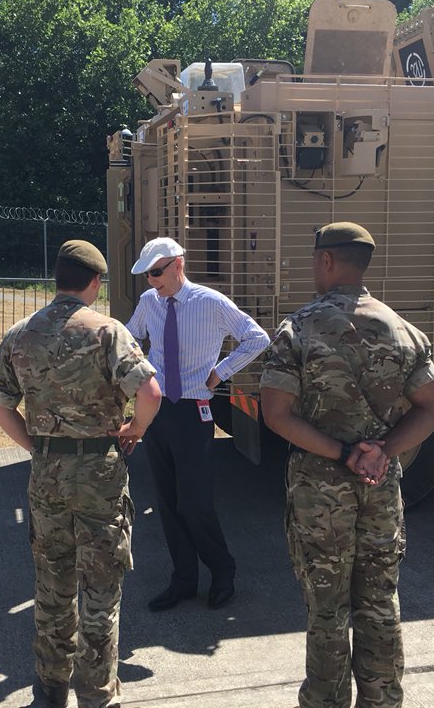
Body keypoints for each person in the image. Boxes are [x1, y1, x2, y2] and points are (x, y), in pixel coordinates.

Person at [259, 222, 434, 708]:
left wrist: (343, 453)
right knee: (380, 601)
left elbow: (276, 414)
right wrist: (383, 450)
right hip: (380, 485)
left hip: (320, 492)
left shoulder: (298, 328)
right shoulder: (403, 330)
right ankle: (382, 700)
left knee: (327, 609)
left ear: (326, 260)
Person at [0, 240, 161, 708]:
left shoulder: (21, 333)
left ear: (57, 279)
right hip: (100, 472)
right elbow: (150, 392)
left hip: (47, 471)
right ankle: (96, 693)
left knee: (52, 583)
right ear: (95, 281)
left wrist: (37, 447)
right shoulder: (107, 332)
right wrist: (135, 429)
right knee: (101, 589)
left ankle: (50, 687)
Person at [127, 237, 269, 611]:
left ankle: (222, 572)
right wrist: (138, 375)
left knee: (194, 502)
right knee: (167, 501)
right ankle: (183, 579)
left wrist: (221, 372)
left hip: (194, 412)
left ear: (178, 265)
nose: (151, 281)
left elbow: (257, 338)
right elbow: (128, 340)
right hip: (158, 411)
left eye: (156, 272)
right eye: (147, 275)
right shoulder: (148, 302)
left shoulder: (211, 302)